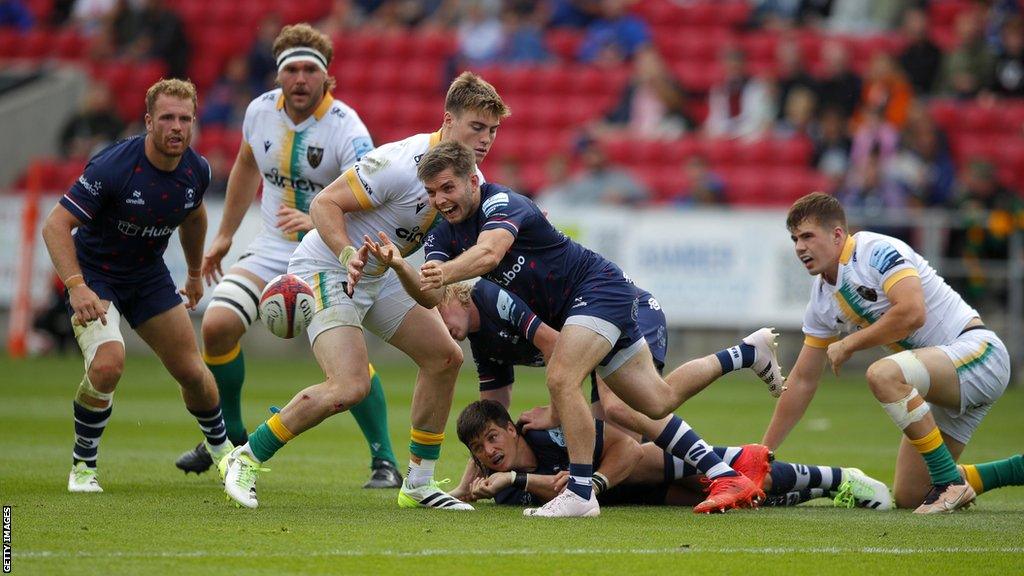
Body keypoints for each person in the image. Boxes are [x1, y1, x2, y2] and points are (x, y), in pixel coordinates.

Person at [370, 141, 782, 517]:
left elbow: (489, 252)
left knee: (563, 376)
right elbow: (428, 296)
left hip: (596, 288)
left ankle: (582, 493)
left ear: (472, 180)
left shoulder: (502, 202)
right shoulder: (443, 235)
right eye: (432, 193)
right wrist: (401, 266)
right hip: (579, 311)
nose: (440, 200)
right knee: (657, 401)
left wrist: (440, 273)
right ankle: (748, 354)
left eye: (447, 188)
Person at [218, 72, 511, 511]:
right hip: (328, 267)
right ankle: (245, 457)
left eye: (492, 130)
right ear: (448, 122)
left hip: (381, 271)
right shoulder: (400, 162)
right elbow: (323, 204)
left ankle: (417, 483)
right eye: (476, 127)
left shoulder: (469, 178)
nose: (486, 139)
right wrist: (347, 254)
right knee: (350, 385)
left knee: (444, 357)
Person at [169, 24, 402, 489]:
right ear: (279, 75)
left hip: (327, 255)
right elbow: (246, 165)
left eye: (308, 70)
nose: (299, 78)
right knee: (216, 327)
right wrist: (225, 235)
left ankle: (384, 460)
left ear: (325, 76)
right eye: (290, 69)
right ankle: (229, 439)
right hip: (272, 248)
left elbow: (374, 200)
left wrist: (318, 222)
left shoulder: (348, 129)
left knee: (344, 360)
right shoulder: (258, 111)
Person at [762, 192, 1024, 513]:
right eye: (794, 239)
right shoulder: (821, 299)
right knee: (911, 495)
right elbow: (802, 380)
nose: (800, 247)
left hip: (979, 354)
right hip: (944, 380)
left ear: (837, 234)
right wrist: (763, 454)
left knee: (883, 374)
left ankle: (949, 483)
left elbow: (913, 312)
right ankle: (1014, 470)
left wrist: (850, 343)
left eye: (807, 236)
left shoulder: (875, 251)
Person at [40, 78, 231, 493]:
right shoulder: (113, 167)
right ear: (148, 121)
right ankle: (83, 466)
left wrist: (196, 274)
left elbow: (194, 217)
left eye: (185, 118)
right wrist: (76, 286)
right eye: (167, 118)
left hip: (146, 276)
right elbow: (55, 225)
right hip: (95, 275)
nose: (176, 127)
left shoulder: (196, 169)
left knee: (193, 373)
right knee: (108, 364)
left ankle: (223, 453)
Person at [434, 278, 784, 501]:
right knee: (617, 451)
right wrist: (466, 487)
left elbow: (555, 346)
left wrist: (556, 412)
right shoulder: (483, 342)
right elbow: (490, 417)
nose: (438, 325)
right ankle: (766, 482)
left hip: (620, 310)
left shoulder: (491, 296)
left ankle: (726, 468)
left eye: (436, 311)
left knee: (628, 409)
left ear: (454, 294)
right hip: (593, 331)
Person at [456, 400, 893, 510]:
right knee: (748, 501)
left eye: (493, 438)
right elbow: (545, 490)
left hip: (637, 467)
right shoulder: (503, 487)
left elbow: (624, 447)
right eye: (479, 449)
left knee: (733, 473)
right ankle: (814, 492)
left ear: (512, 429)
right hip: (641, 498)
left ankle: (840, 477)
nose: (489, 452)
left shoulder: (551, 434)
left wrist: (590, 485)